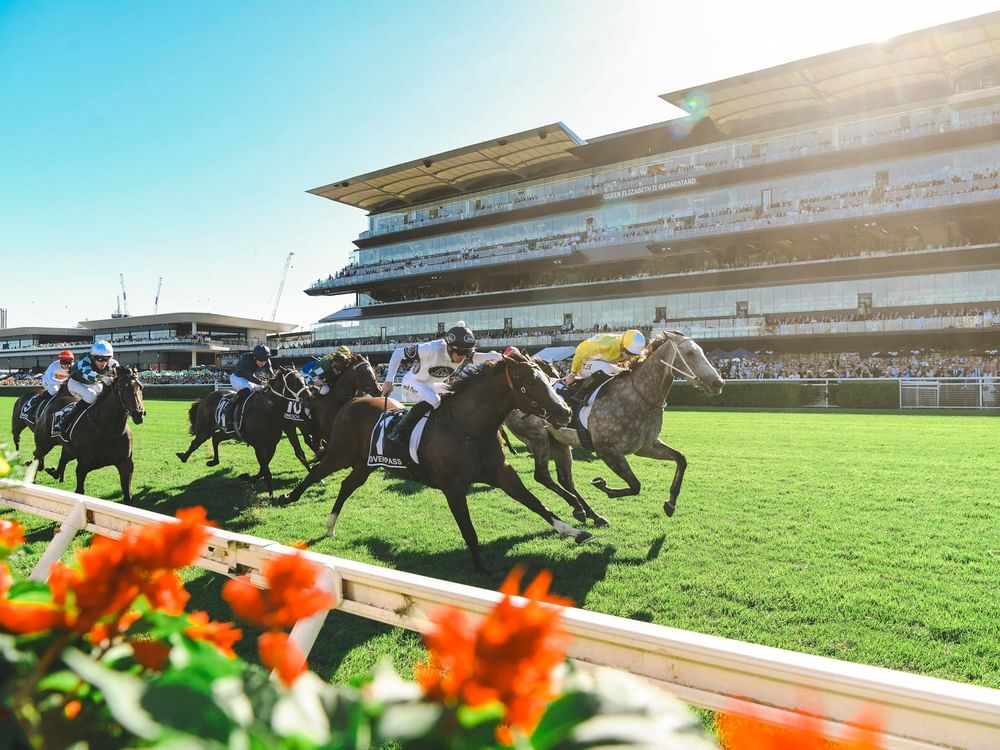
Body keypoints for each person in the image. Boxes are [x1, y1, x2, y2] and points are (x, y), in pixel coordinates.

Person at [380, 321, 500, 446]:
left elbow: (482, 357)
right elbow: (398, 353)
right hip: (412, 382)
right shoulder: (431, 349)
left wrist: (503, 356)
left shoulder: (462, 351)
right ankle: (398, 431)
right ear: (449, 347)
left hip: (432, 386)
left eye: (466, 353)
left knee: (456, 396)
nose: (463, 358)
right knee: (434, 399)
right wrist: (389, 381)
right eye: (460, 354)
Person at [59, 341, 119, 429]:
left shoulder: (112, 363)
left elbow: (120, 372)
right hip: (76, 383)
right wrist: (102, 378)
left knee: (105, 395)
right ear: (93, 357)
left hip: (92, 383)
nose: (103, 362)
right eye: (99, 359)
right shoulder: (84, 360)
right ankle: (67, 418)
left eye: (106, 359)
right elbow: (88, 374)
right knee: (91, 396)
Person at [562, 329, 646, 386]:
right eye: (628, 353)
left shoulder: (631, 347)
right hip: (583, 362)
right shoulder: (607, 345)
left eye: (633, 354)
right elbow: (580, 352)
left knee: (615, 369)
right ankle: (582, 393)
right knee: (608, 369)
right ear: (622, 346)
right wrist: (572, 373)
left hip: (599, 361)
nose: (629, 357)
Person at [24, 350, 75, 420]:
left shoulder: (74, 367)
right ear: (60, 361)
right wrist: (64, 382)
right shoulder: (54, 365)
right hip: (47, 380)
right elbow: (51, 380)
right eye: (65, 362)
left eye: (69, 362)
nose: (67, 365)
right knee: (54, 390)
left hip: (62, 382)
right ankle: (37, 400)